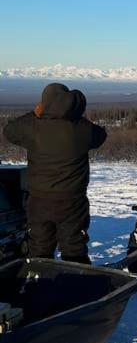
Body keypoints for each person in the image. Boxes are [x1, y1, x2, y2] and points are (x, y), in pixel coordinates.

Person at [3, 83, 107, 263]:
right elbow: (101, 135)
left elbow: (9, 131)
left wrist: (35, 114)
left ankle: (39, 284)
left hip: (39, 199)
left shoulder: (33, 127)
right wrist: (75, 116)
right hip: (72, 201)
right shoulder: (82, 129)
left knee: (39, 248)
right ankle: (77, 283)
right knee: (74, 248)